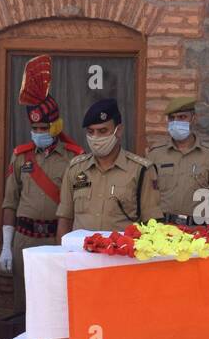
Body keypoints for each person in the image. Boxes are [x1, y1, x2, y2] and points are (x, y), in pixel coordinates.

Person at [0, 56, 82, 306]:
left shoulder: (74, 158)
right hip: (25, 239)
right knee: (25, 305)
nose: (39, 134)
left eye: (44, 128)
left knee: (57, 303)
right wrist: (5, 246)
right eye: (35, 129)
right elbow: (9, 203)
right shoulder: (20, 156)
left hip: (57, 237)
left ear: (55, 127)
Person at [56, 97, 162, 237]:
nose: (96, 138)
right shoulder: (75, 168)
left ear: (118, 131)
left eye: (102, 131)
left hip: (121, 255)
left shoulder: (140, 170)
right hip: (80, 255)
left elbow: (152, 224)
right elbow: (65, 219)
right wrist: (64, 255)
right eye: (90, 132)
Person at [147, 95, 209, 225]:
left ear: (193, 118)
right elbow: (146, 197)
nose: (176, 122)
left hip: (198, 231)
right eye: (172, 118)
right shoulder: (156, 154)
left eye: (182, 117)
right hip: (162, 231)